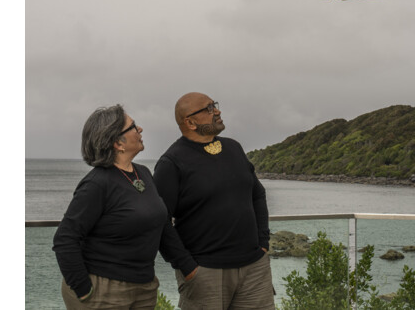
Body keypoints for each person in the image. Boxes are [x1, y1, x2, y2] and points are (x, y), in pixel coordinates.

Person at [53, 105, 197, 309]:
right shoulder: (97, 183)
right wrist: (84, 290)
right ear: (117, 142)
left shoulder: (143, 173)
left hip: (144, 287)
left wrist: (186, 265)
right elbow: (65, 239)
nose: (141, 130)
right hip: (104, 291)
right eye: (134, 126)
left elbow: (161, 224)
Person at [154, 92, 274, 309]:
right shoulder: (171, 163)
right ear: (190, 122)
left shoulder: (234, 148)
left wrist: (263, 242)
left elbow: (257, 194)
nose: (217, 111)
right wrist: (187, 266)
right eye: (208, 109)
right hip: (205, 272)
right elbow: (160, 221)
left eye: (215, 105)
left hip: (254, 268)